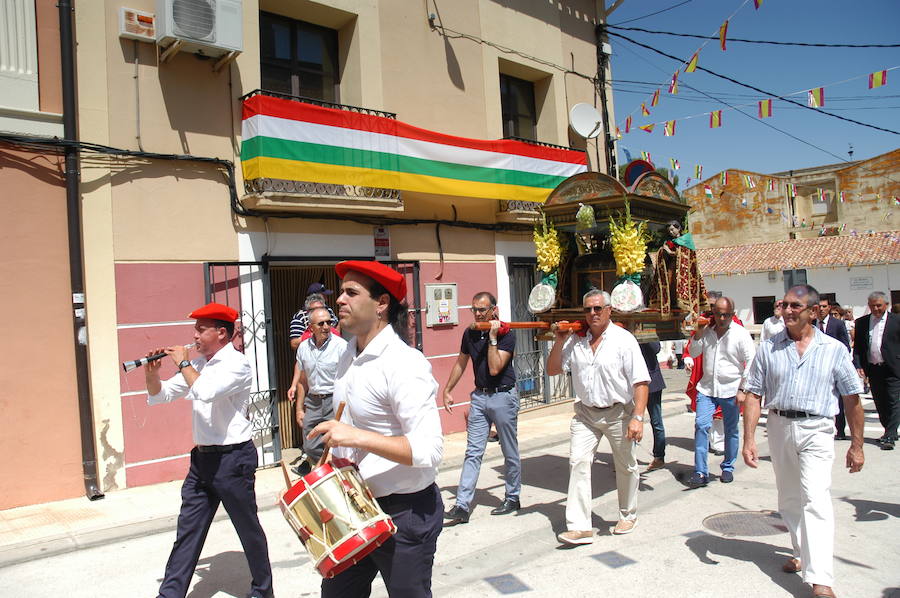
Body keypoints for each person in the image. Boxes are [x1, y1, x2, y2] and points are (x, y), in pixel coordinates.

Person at [309, 261, 443, 598]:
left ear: (381, 303)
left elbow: (428, 450)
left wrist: (355, 437)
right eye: (340, 292)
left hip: (405, 512)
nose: (339, 300)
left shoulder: (405, 364)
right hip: (354, 508)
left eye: (351, 293)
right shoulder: (346, 356)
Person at [743, 285, 865, 598]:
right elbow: (754, 394)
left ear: (813, 311)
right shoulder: (769, 347)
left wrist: (857, 445)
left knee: (816, 498)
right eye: (784, 305)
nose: (787, 311)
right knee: (789, 499)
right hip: (780, 426)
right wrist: (749, 438)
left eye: (795, 306)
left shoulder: (834, 349)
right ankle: (801, 554)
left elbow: (852, 399)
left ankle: (821, 578)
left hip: (817, 429)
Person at [145, 302, 273, 598]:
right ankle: (170, 594)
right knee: (187, 532)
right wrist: (152, 374)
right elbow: (161, 395)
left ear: (222, 333)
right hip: (202, 460)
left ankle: (263, 591)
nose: (195, 336)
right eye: (195, 330)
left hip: (233, 459)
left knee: (248, 529)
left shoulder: (237, 364)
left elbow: (204, 391)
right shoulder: (198, 365)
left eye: (201, 330)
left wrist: (182, 363)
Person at [547, 289, 650, 544]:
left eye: (597, 308)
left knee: (625, 465)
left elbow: (640, 382)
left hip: (618, 413)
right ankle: (580, 526)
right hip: (585, 414)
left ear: (608, 310)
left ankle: (628, 514)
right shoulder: (575, 340)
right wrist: (559, 340)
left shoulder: (624, 340)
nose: (592, 314)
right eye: (587, 309)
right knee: (578, 463)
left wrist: (638, 417)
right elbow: (552, 370)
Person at [443, 292, 520, 524]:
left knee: (509, 450)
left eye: (482, 310)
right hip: (479, 397)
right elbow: (461, 361)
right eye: (474, 309)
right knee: (473, 452)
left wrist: (493, 337)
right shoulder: (469, 333)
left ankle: (513, 496)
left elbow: (496, 368)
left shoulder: (507, 333)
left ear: (493, 310)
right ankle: (462, 505)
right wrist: (448, 389)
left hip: (503, 396)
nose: (477, 314)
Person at [687, 297, 755, 487]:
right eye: (718, 314)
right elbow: (693, 353)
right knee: (701, 426)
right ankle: (700, 472)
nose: (722, 318)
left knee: (731, 430)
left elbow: (751, 362)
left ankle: (728, 467)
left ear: (732, 314)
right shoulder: (707, 331)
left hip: (731, 389)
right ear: (713, 313)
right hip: (707, 388)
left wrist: (743, 388)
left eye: (726, 314)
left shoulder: (740, 334)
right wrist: (698, 334)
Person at [287, 306, 348, 476]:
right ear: (311, 327)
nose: (326, 327)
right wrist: (299, 409)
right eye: (321, 323)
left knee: (336, 442)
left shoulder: (341, 346)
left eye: (329, 322)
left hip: (334, 399)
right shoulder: (303, 348)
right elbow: (303, 381)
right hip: (313, 401)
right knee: (310, 443)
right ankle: (324, 468)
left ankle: (333, 475)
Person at [853, 291, 900, 450]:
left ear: (886, 305)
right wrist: (858, 365)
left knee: (893, 400)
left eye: (879, 305)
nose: (876, 308)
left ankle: (890, 434)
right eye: (872, 306)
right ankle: (889, 428)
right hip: (873, 368)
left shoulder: (897, 321)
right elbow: (859, 347)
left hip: (893, 367)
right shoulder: (862, 323)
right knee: (880, 401)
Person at [647, 220, 709, 316]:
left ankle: (681, 303)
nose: (671, 232)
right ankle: (671, 303)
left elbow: (687, 255)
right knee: (670, 284)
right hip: (671, 268)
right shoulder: (669, 242)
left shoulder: (686, 240)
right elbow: (664, 255)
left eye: (672, 229)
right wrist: (663, 251)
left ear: (678, 228)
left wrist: (671, 252)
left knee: (678, 285)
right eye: (669, 231)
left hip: (683, 270)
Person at [815, 299, 852, 439]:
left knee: (839, 401)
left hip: (834, 367)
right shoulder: (811, 324)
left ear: (829, 308)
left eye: (824, 307)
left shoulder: (838, 324)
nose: (822, 309)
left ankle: (840, 430)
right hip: (817, 369)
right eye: (819, 307)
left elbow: (846, 347)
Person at [641, 342, 667, 472]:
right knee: (629, 421)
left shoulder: (648, 329)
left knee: (656, 421)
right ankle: (627, 459)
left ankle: (659, 457)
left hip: (652, 381)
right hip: (632, 383)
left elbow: (655, 348)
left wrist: (643, 335)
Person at [289, 284, 339, 351]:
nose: (327, 298)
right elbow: (294, 344)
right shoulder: (300, 317)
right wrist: (313, 334)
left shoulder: (328, 310)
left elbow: (336, 330)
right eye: (324, 295)